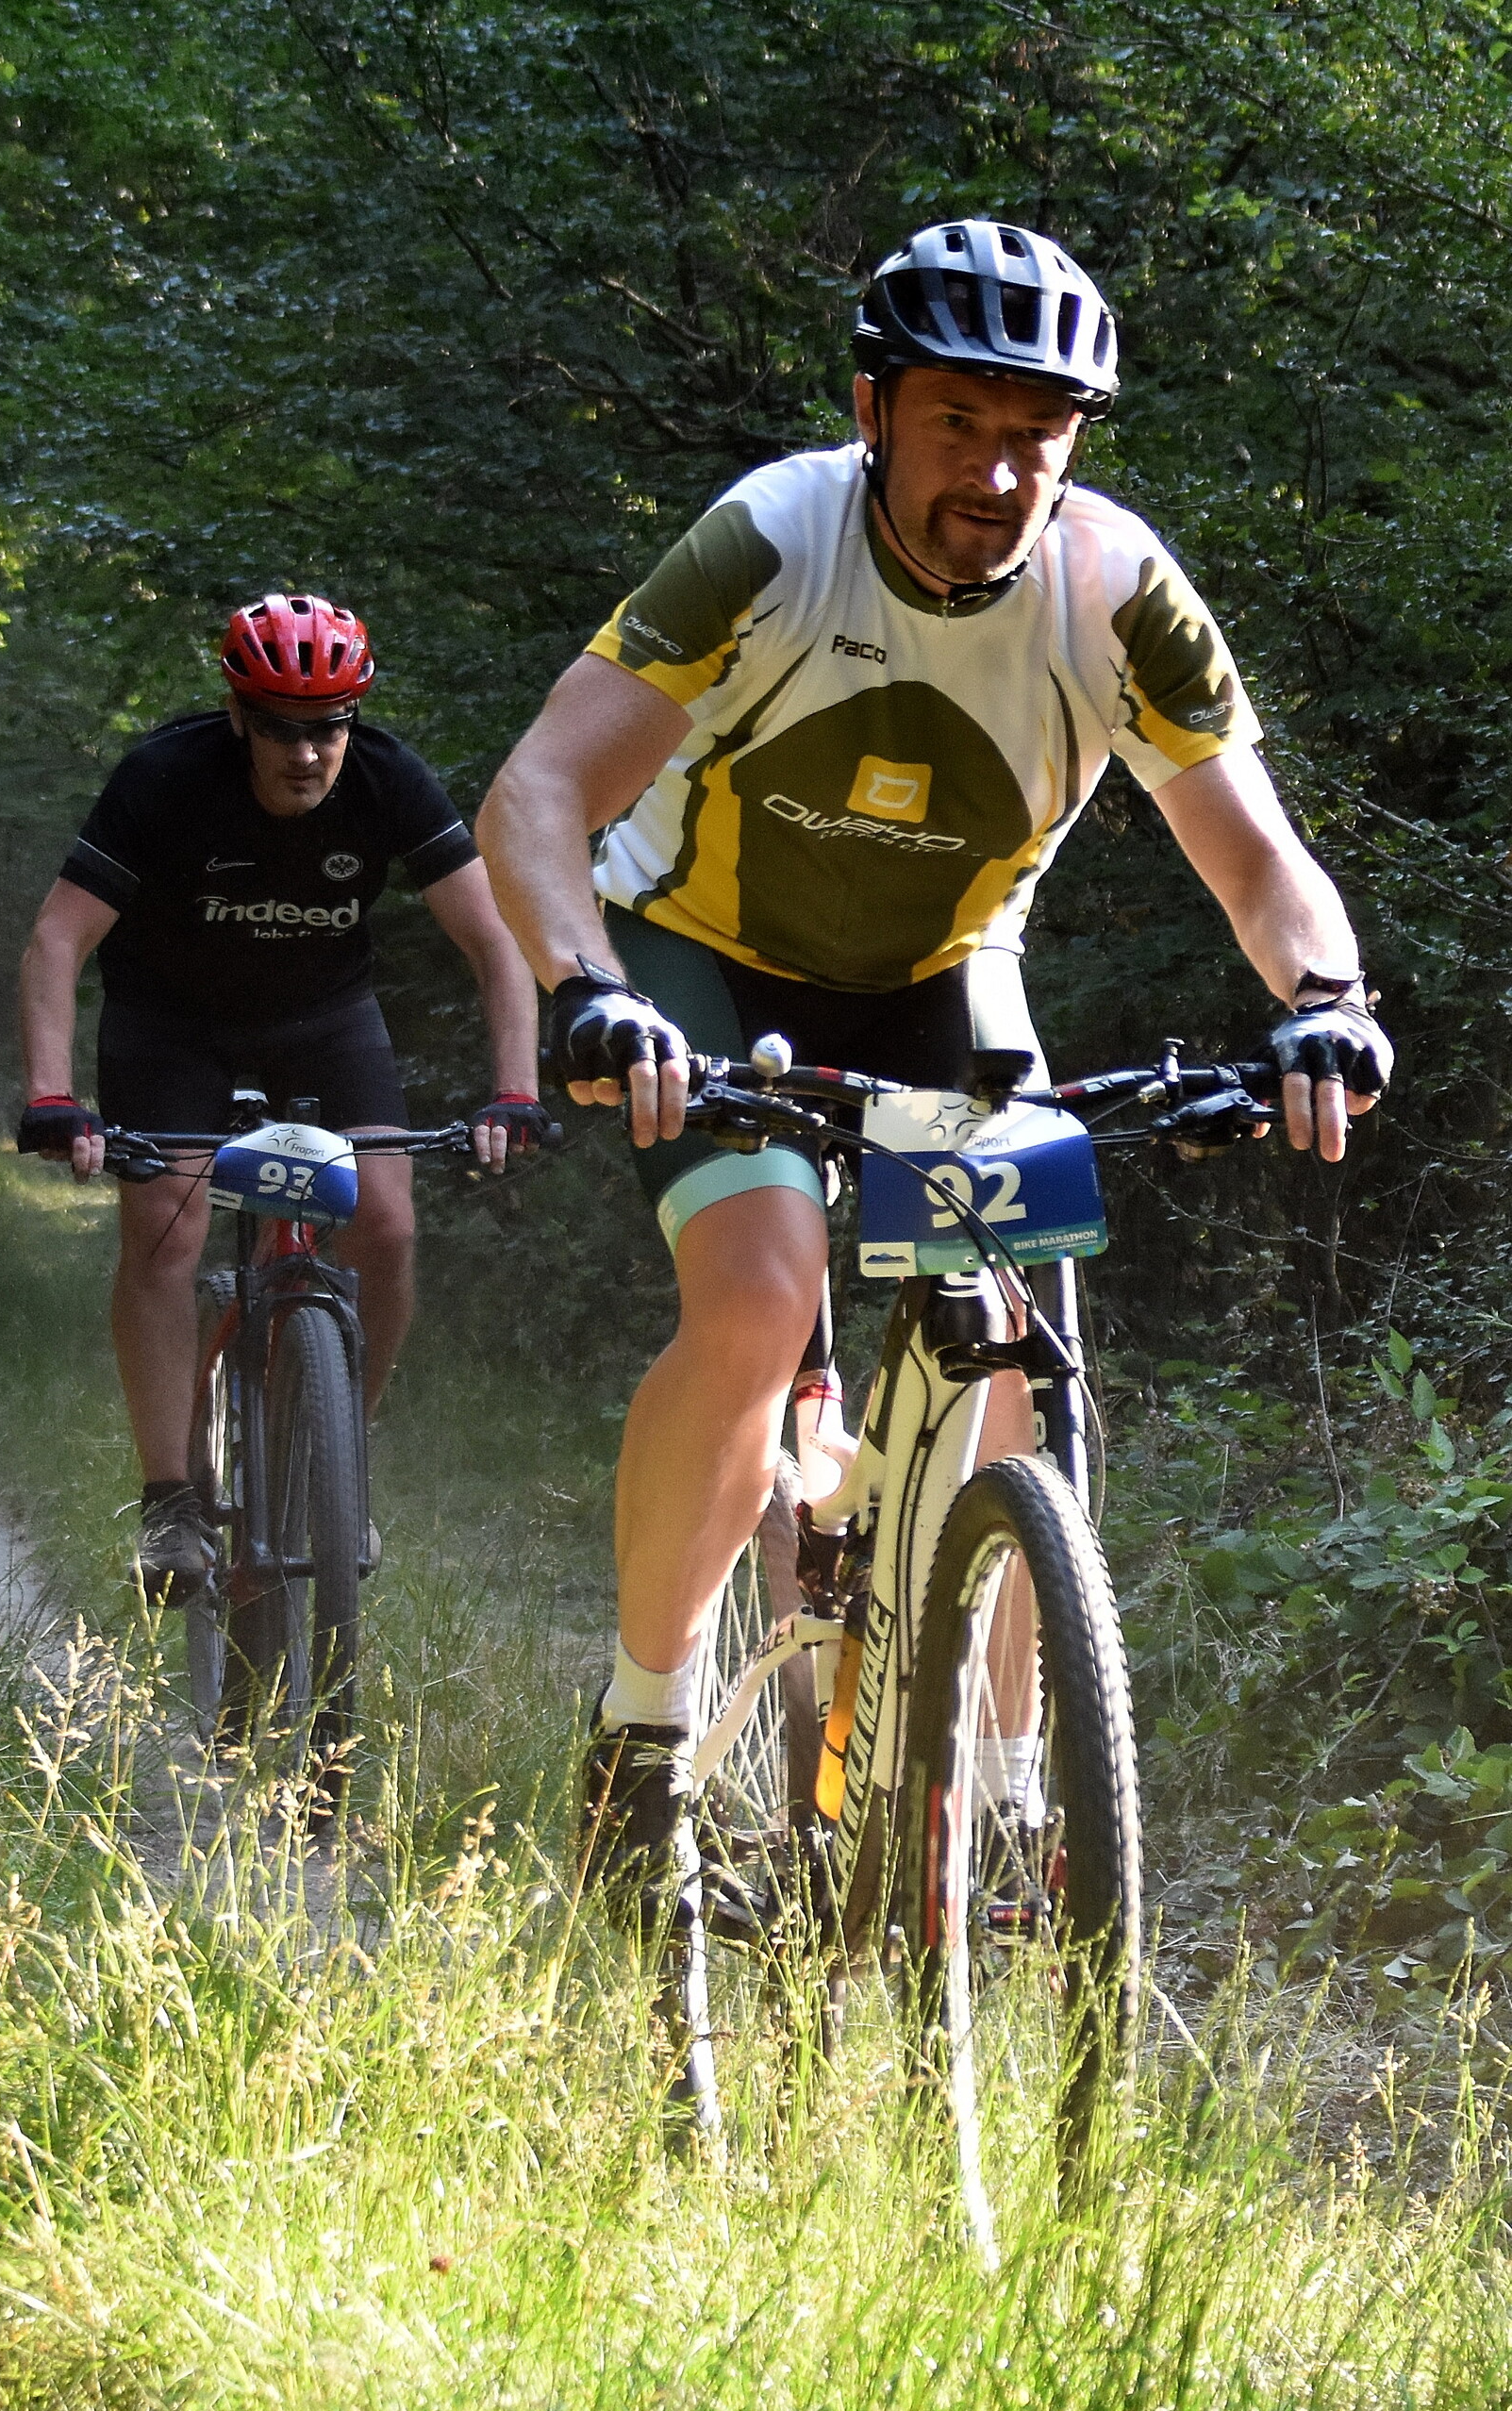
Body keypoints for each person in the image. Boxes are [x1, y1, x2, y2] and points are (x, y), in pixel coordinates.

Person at [475, 217, 1394, 1935]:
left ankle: (1017, 1788)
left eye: (1036, 434)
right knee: (763, 1293)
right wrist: (588, 995)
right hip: (701, 956)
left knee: (1024, 1354)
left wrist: (1327, 1002)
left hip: (943, 976)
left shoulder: (1114, 590)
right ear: (873, 412)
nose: (997, 471)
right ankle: (645, 1732)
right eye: (958, 424)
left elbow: (1258, 856)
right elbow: (535, 794)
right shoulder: (773, 538)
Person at [19, 590, 551, 1594]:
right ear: (237, 716)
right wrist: (53, 1095)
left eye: (328, 729)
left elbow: (493, 939)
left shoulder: (389, 779)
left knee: (386, 1224)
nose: (307, 754)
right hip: (171, 1022)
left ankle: (338, 1455)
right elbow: (57, 939)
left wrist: (513, 1091)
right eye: (280, 730)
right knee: (167, 1229)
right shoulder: (164, 778)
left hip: (323, 1019)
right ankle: (171, 1502)